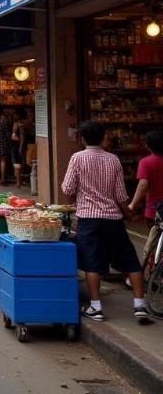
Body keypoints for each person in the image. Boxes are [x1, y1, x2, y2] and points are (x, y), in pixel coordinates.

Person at [61, 120, 151, 322]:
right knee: (130, 260)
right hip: (112, 218)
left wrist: (75, 202)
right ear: (103, 137)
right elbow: (120, 195)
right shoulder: (114, 160)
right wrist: (128, 213)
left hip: (88, 218)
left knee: (92, 263)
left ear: (82, 139)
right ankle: (140, 305)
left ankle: (96, 307)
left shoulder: (77, 158)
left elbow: (67, 189)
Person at [128, 130, 163, 273]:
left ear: (148, 146)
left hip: (154, 210)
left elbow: (143, 185)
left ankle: (151, 268)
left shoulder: (146, 162)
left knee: (153, 241)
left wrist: (132, 204)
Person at [11, 108, 28, 188]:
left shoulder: (20, 124)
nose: (13, 115)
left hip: (18, 146)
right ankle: (19, 181)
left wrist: (21, 147)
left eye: (15, 114)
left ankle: (18, 183)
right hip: (14, 146)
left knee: (18, 164)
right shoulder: (15, 123)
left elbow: (22, 137)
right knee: (17, 164)